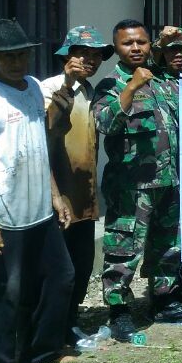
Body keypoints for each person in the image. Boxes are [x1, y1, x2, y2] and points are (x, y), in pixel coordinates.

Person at [0, 19, 75, 363]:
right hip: (4, 212)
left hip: (39, 209)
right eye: (7, 56)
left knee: (59, 278)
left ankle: (42, 351)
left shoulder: (33, 88)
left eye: (22, 55)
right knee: (1, 291)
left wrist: (55, 195)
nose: (16, 62)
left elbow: (38, 146)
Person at [95, 19, 182, 342]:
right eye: (127, 43)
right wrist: (131, 87)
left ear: (149, 45)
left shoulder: (161, 81)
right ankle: (119, 312)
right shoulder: (110, 84)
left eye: (141, 42)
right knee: (123, 249)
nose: (135, 48)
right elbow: (105, 124)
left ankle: (164, 301)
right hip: (132, 188)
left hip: (169, 181)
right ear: (117, 47)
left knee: (168, 247)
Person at [41, 26, 111, 342]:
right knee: (60, 267)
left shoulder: (90, 91)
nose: (90, 60)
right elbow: (48, 130)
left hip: (84, 196)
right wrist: (67, 86)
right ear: (67, 56)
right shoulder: (49, 88)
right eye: (83, 53)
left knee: (81, 264)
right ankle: (53, 330)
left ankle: (70, 321)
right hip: (58, 194)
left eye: (96, 55)